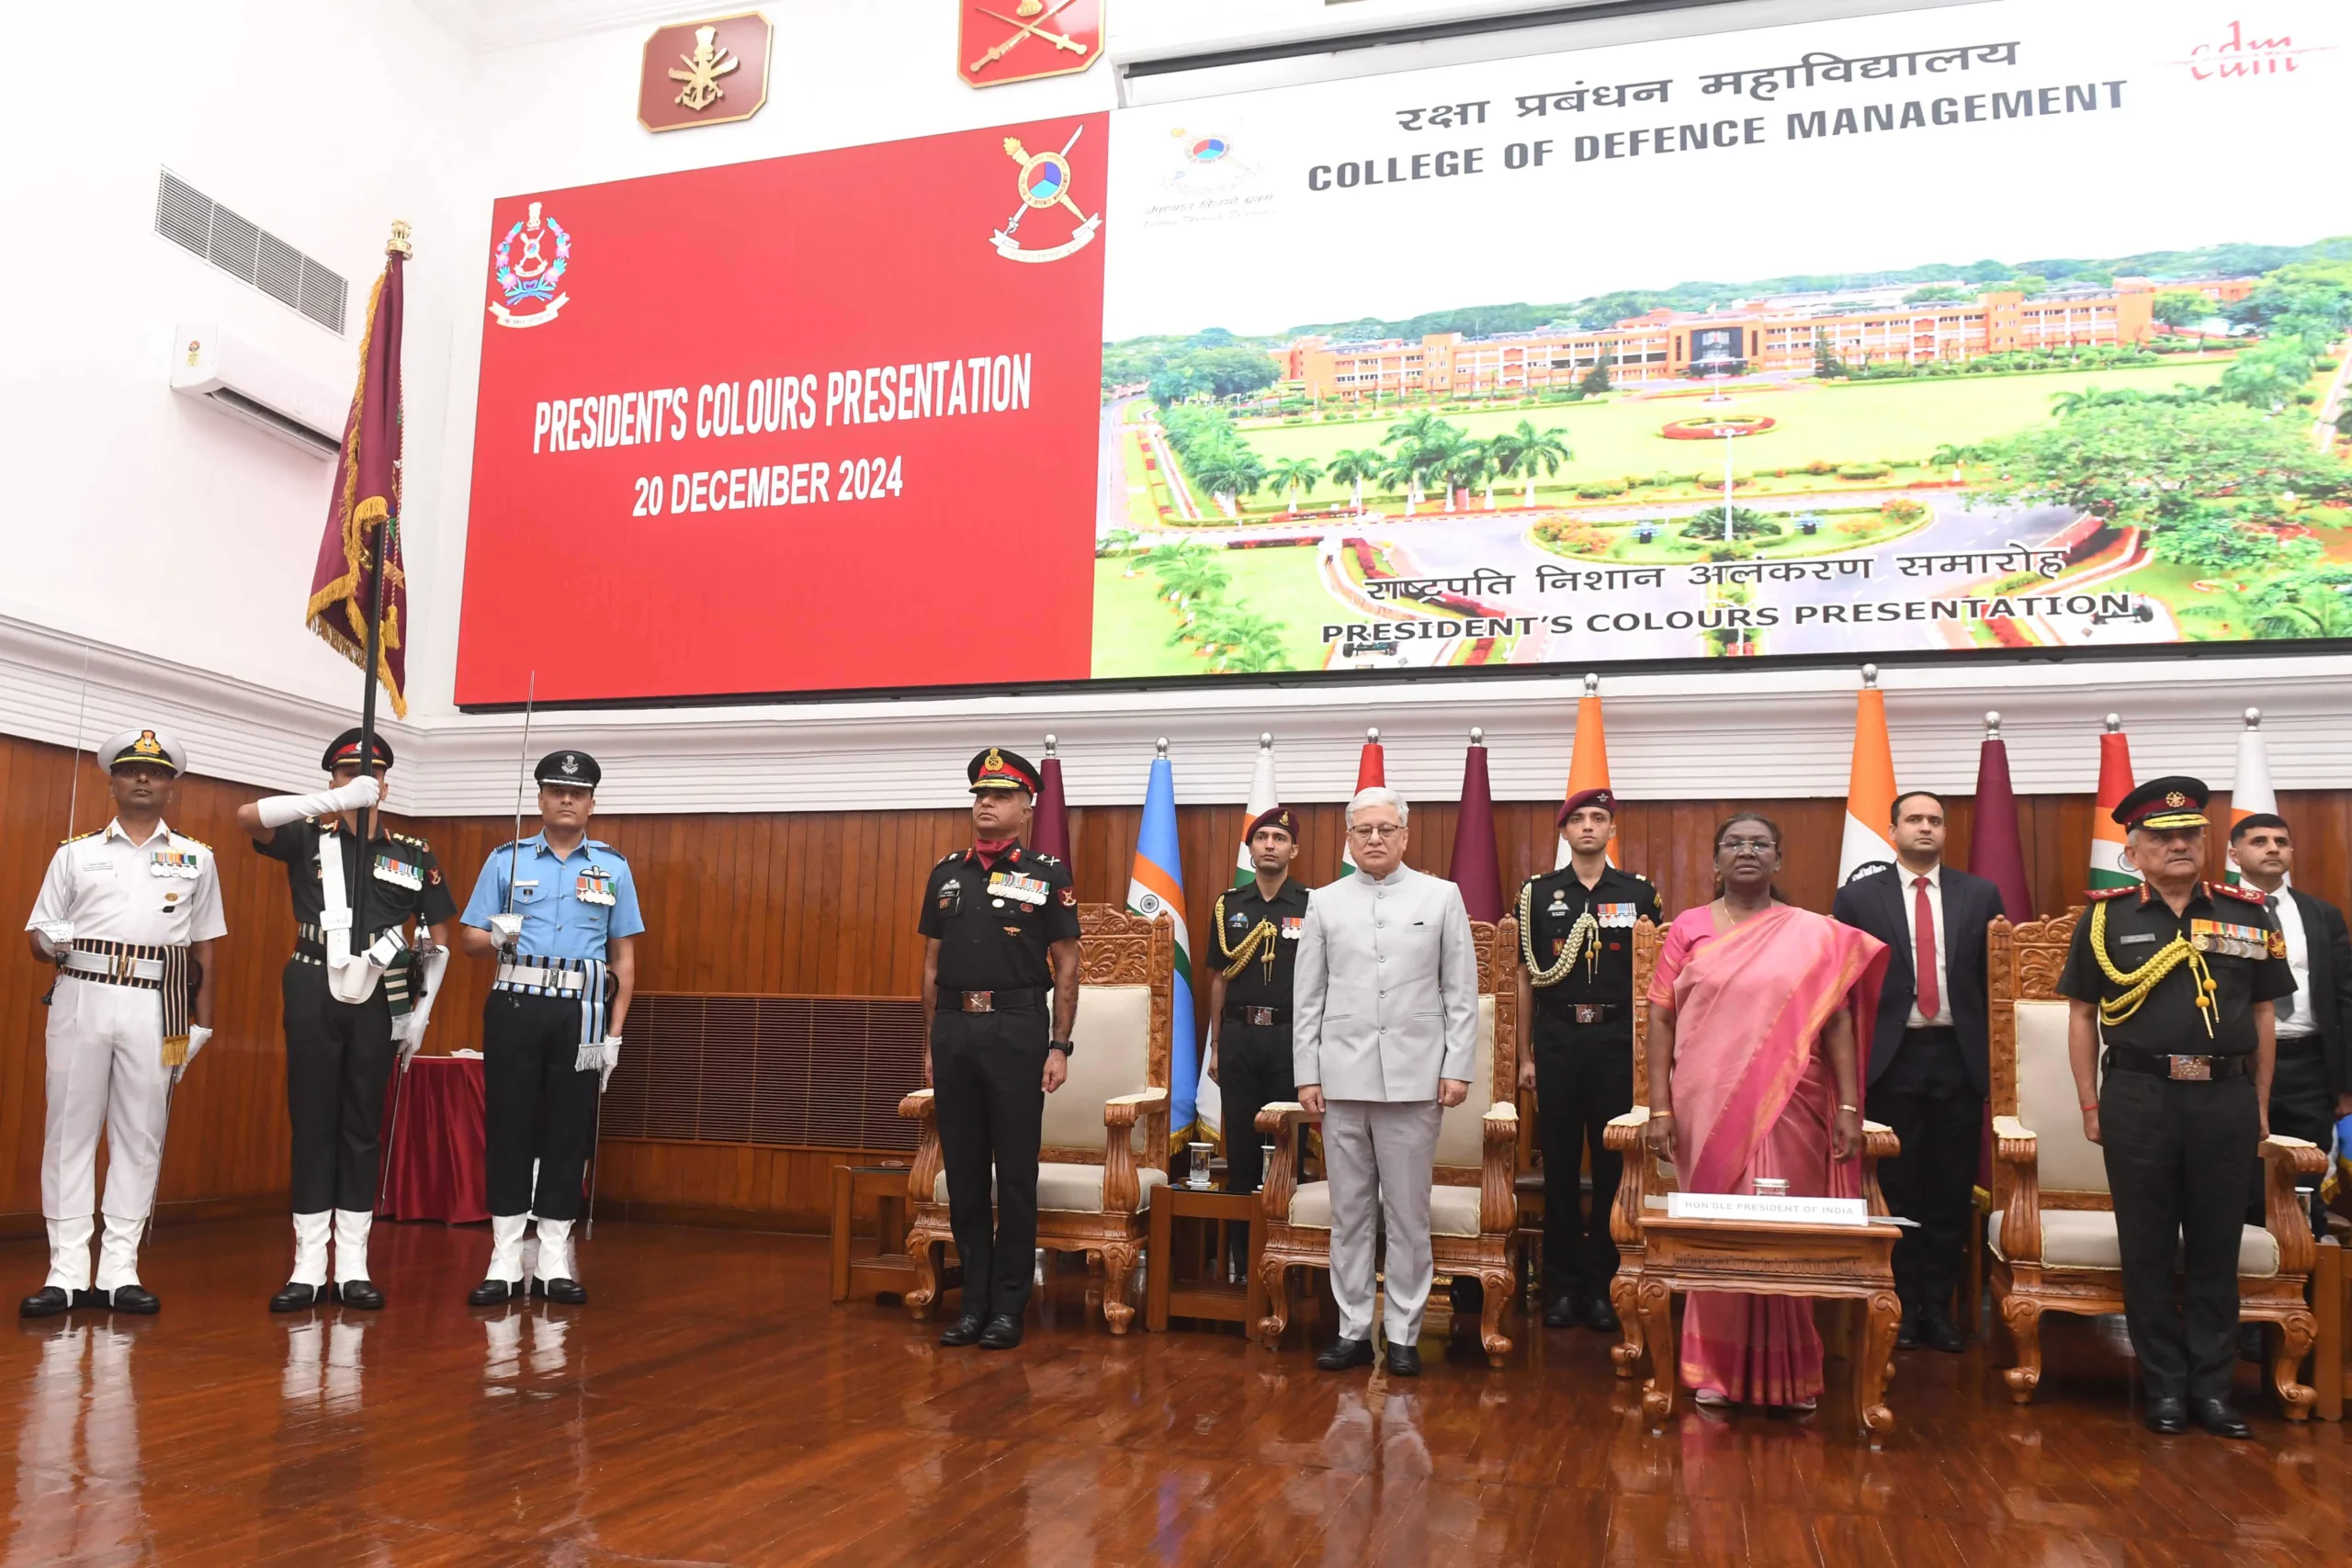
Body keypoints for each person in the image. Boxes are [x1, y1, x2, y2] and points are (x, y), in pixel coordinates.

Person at [2060, 777, 2291, 1439]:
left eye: (2190, 833)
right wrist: (2088, 1100)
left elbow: (2264, 1013)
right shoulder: (2106, 919)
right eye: (2163, 837)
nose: (2180, 844)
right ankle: (2162, 1386)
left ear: (2208, 841)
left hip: (2224, 1098)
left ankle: (2213, 1392)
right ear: (2132, 851)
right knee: (2148, 1246)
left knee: (2217, 1246)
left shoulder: (2249, 913)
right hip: (2140, 1097)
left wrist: (2261, 1103)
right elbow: (2080, 1015)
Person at [1645, 813, 1885, 1412]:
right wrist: (1657, 1104)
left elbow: (1837, 1019)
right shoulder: (1689, 928)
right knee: (1718, 1230)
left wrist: (1850, 1105)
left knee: (1783, 1231)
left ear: (1779, 860)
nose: (1746, 851)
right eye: (1733, 842)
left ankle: (1792, 1374)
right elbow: (1658, 1016)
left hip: (1793, 1099)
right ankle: (1715, 1370)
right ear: (1715, 861)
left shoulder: (1813, 932)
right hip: (1704, 1100)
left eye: (1760, 843)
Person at [239, 729, 457, 1311]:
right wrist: (330, 802)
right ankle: (308, 1265)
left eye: (372, 776)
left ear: (385, 783)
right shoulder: (307, 832)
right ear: (333, 780)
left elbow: (439, 938)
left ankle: (354, 1264)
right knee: (312, 1120)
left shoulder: (412, 852)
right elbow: (247, 816)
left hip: (385, 989)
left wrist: (421, 1015)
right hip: (313, 978)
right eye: (346, 775)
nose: (363, 783)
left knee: (363, 1123)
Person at [21, 729, 222, 1316]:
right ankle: (64, 1271)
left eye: (155, 773)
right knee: (69, 1132)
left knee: (141, 1133)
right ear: (112, 781)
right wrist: (50, 945)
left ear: (170, 786)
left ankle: (119, 1270)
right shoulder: (75, 853)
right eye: (131, 770)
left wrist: (201, 1027)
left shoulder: (196, 857)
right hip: (80, 992)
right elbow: (39, 935)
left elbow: (206, 949)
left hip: (159, 1004)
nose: (142, 779)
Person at [1294, 785, 1480, 1378]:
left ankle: (1402, 1332)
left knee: (1406, 1214)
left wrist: (1456, 1066)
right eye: (1363, 830)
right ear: (1349, 839)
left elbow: (1461, 993)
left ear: (1404, 835)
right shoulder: (1323, 902)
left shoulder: (1441, 896)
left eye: (1385, 830)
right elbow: (1308, 998)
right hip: (1342, 1080)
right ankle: (1351, 1329)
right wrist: (1307, 1074)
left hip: (1416, 1080)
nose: (1374, 839)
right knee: (1349, 1214)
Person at [458, 750, 641, 1306]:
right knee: (511, 1127)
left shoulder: (612, 867)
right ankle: (506, 1257)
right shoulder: (506, 860)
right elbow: (467, 939)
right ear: (539, 799)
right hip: (516, 1003)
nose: (567, 799)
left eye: (578, 792)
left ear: (591, 803)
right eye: (556, 790)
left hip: (580, 1013)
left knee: (569, 1131)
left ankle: (556, 1258)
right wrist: (496, 935)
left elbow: (624, 959)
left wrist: (614, 1035)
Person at [1830, 789, 2005, 1353]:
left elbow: (1993, 983)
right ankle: (1899, 1308)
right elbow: (1843, 986)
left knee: (1950, 1190)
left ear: (1945, 831)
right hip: (1891, 1058)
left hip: (1959, 1057)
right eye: (1914, 819)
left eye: (1935, 820)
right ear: (1893, 829)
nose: (1925, 828)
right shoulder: (1857, 898)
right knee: (1897, 1189)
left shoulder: (1979, 895)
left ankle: (1939, 1308)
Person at [920, 748, 1081, 1351]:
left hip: (1017, 1028)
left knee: (1014, 1173)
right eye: (979, 794)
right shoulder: (946, 873)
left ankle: (1010, 1306)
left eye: (1000, 795)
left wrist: (1060, 1043)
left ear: (1025, 806)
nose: (985, 803)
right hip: (956, 1029)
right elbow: (932, 963)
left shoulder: (1046, 873)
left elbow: (1067, 962)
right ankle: (973, 1304)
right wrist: (931, 1040)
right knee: (962, 1171)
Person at [1513, 787, 1660, 1334]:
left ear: (1612, 830)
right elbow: (1528, 978)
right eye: (1579, 820)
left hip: (1615, 1044)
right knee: (1556, 1170)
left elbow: (1650, 983)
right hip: (1557, 1042)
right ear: (1564, 831)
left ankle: (1603, 1286)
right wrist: (1525, 1054)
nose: (1590, 827)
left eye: (1599, 818)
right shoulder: (1538, 895)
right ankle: (1561, 1287)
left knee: (1611, 1171)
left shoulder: (1638, 894)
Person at [2228, 812, 2352, 1230]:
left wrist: (2345, 1084)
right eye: (2259, 841)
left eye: (2281, 841)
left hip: (2308, 1065)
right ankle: (2247, 1284)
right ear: (2235, 853)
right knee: (2239, 1180)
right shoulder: (2211, 909)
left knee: (2305, 1180)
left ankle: (2304, 1289)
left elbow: (2344, 998)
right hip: (2238, 1066)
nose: (2272, 848)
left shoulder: (2321, 915)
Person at [1206, 806, 1310, 1198]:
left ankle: (1286, 1254)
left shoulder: (1310, 905)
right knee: (1242, 1150)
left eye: (1280, 839)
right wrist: (1216, 1047)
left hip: (1289, 1040)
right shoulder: (1228, 906)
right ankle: (1241, 1256)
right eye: (1262, 838)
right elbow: (1218, 979)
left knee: (1287, 1151)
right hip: (1239, 1038)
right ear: (1249, 848)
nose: (1270, 845)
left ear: (1293, 850)